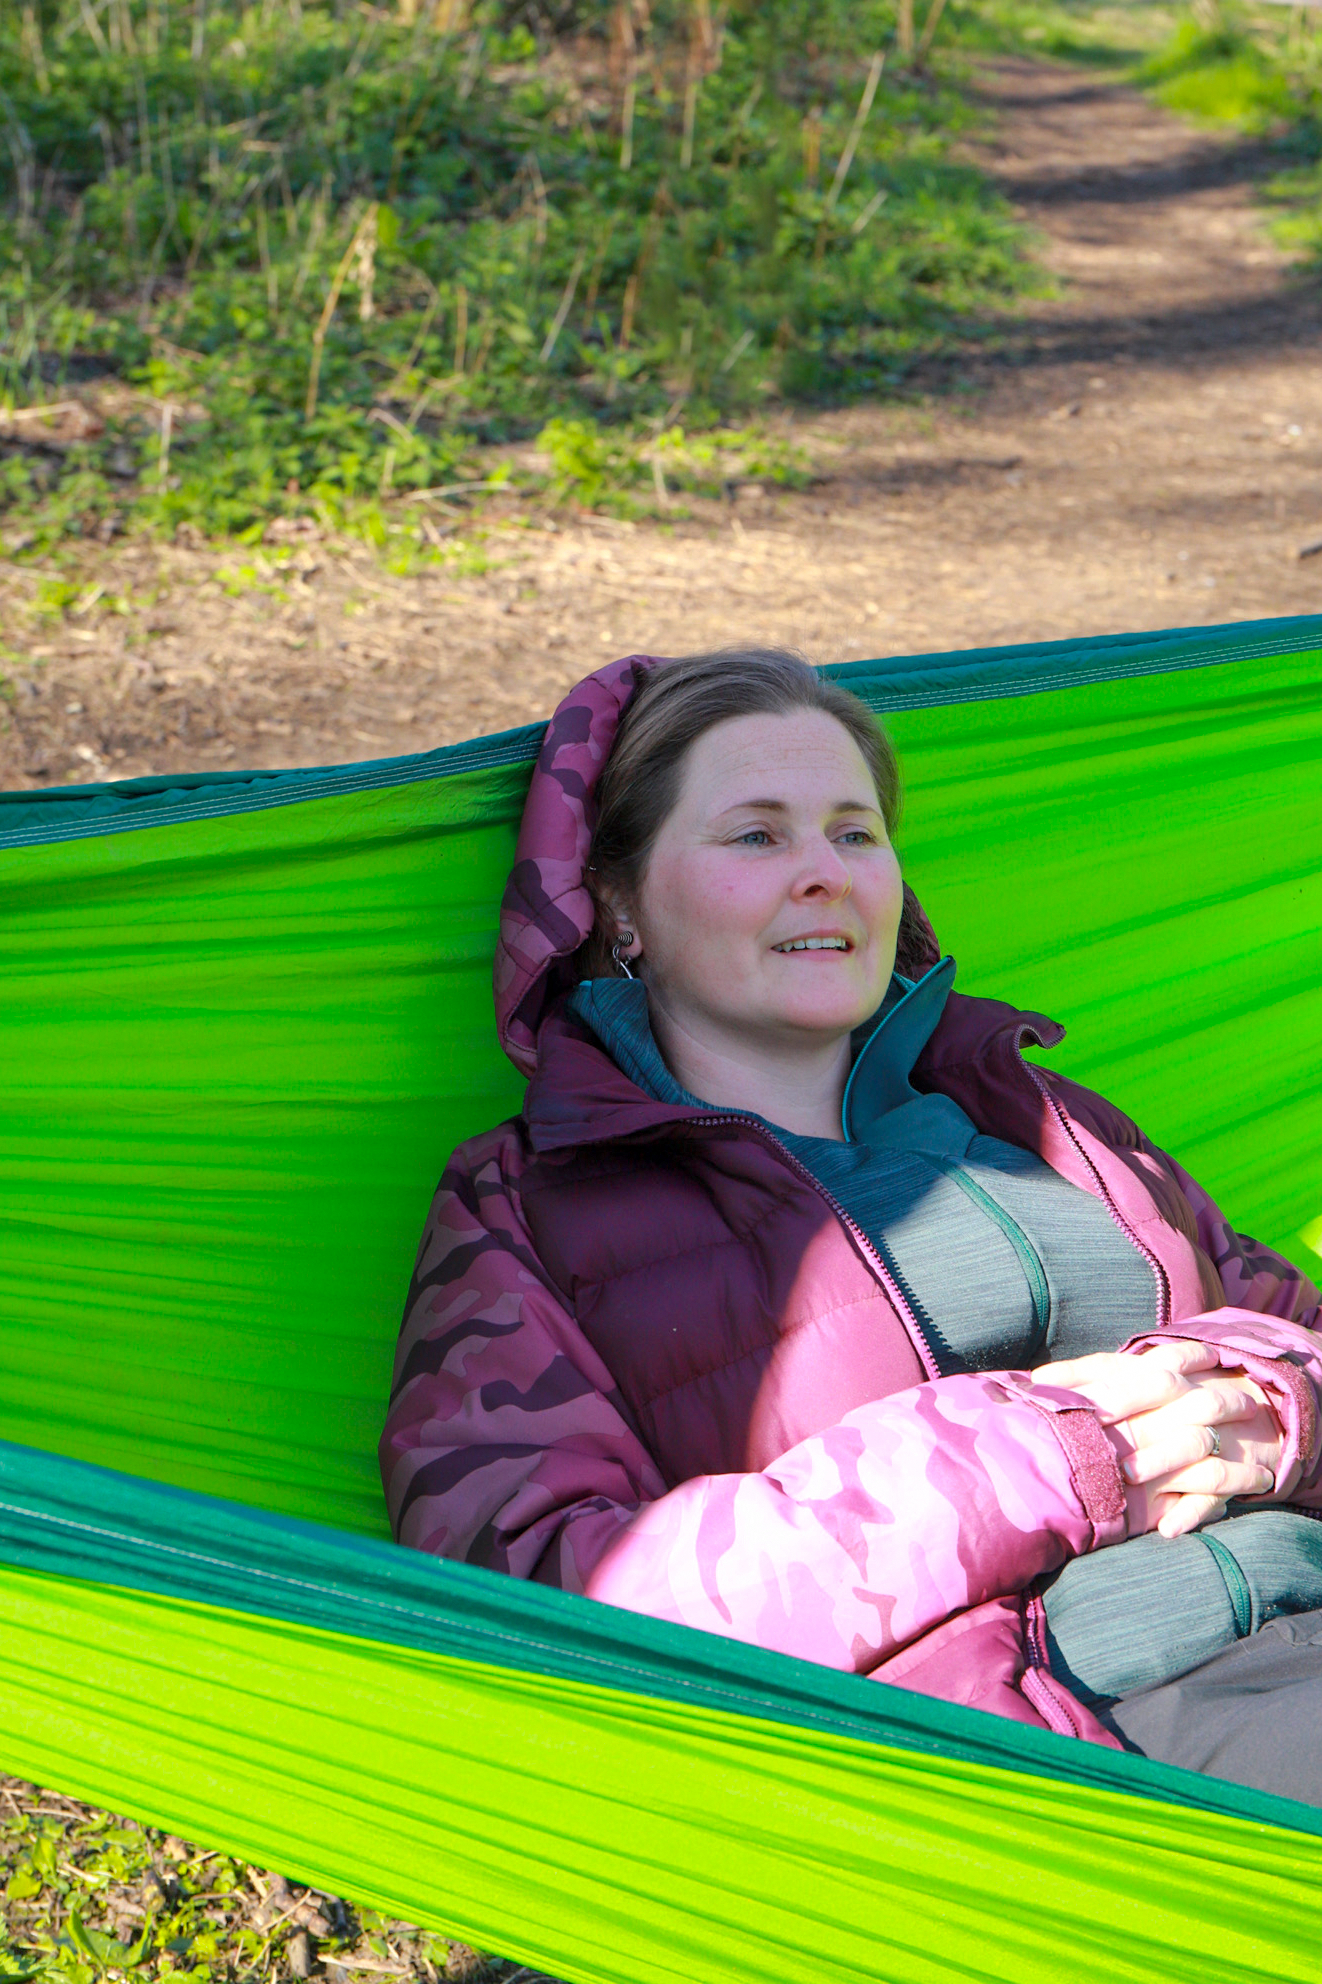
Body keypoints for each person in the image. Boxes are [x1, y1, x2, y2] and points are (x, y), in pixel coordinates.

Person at [381, 648, 1322, 1801]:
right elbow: (538, 1606)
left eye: (853, 832)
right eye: (755, 835)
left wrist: (1271, 1407)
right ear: (617, 902)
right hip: (1085, 1728)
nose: (823, 873)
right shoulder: (532, 1206)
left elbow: (1289, 1324)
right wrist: (1041, 1455)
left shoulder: (1036, 1111)